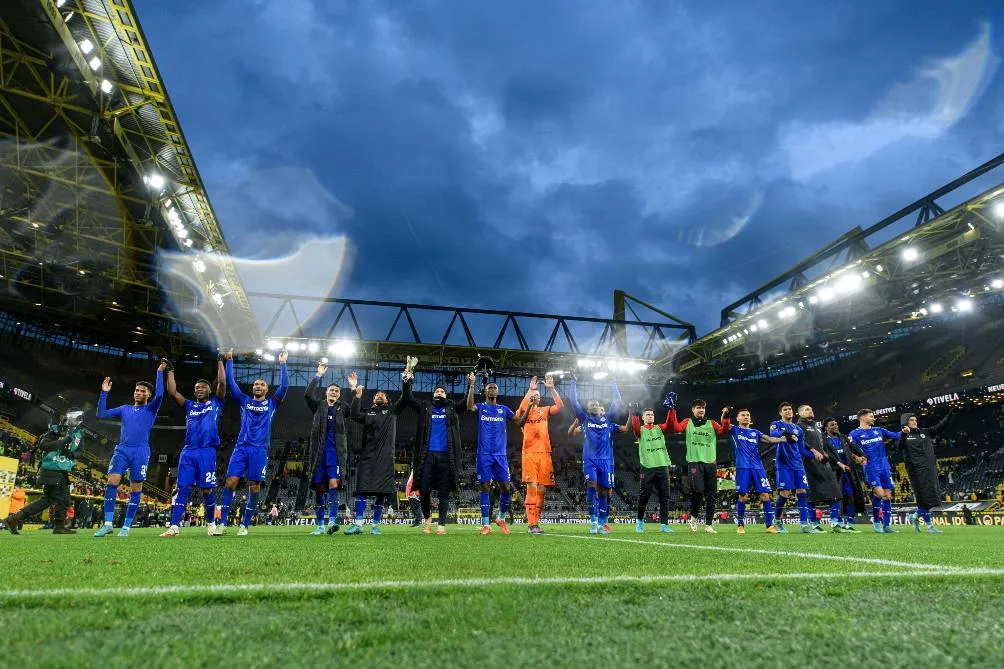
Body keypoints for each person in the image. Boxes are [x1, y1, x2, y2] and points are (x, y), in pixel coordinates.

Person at [217, 349, 289, 536]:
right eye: (256, 384)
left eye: (262, 385)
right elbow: (231, 384)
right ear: (253, 388)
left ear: (266, 389)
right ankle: (222, 523)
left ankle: (245, 525)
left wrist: (282, 364)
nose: (258, 386)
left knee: (254, 486)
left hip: (259, 449)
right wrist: (230, 361)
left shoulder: (272, 403)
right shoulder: (244, 401)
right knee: (230, 483)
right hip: (241, 448)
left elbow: (285, 386)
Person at [94, 360, 167, 537]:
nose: (139, 393)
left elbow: (160, 395)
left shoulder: (151, 409)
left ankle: (126, 527)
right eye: (137, 390)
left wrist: (159, 372)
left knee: (135, 487)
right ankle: (108, 524)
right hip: (122, 450)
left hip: (140, 451)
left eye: (143, 391)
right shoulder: (124, 409)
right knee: (112, 482)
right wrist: (104, 394)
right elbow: (101, 414)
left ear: (148, 395)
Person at [160, 356, 226, 537]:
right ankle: (174, 527)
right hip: (188, 451)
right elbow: (173, 392)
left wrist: (220, 361)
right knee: (183, 489)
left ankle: (211, 523)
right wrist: (170, 371)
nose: (199, 389)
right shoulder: (189, 405)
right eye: (196, 387)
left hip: (207, 452)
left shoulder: (216, 403)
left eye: (203, 387)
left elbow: (222, 382)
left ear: (209, 390)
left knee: (206, 490)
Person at [401, 359, 468, 536]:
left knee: (444, 491)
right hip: (427, 455)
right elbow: (408, 399)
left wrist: (471, 385)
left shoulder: (452, 408)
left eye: (442, 391)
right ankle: (428, 519)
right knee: (423, 491)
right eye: (437, 391)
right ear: (433, 395)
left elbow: (466, 404)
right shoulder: (425, 406)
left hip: (446, 455)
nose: (439, 392)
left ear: (446, 395)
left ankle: (441, 525)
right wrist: (408, 376)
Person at [345, 369, 411, 535]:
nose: (379, 395)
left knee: (382, 493)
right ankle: (358, 525)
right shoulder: (368, 412)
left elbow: (405, 398)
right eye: (376, 395)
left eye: (382, 395)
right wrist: (357, 395)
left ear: (388, 400)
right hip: (367, 456)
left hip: (386, 458)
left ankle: (375, 525)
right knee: (361, 490)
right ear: (373, 400)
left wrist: (406, 379)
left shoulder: (392, 412)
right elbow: (353, 414)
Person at [3, 410, 86, 535]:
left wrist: (73, 453)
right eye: (77, 417)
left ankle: (14, 519)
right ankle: (59, 526)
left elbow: (81, 451)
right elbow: (43, 445)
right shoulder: (56, 430)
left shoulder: (79, 434)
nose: (79, 420)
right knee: (63, 498)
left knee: (47, 499)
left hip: (61, 469)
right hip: (51, 468)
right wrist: (63, 441)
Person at [663, 394, 731, 534]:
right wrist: (672, 410)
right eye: (698, 408)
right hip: (694, 463)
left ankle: (708, 525)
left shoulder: (711, 423)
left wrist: (725, 416)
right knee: (698, 492)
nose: (701, 410)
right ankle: (693, 518)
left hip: (710, 464)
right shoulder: (688, 422)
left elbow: (723, 431)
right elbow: (676, 427)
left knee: (711, 494)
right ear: (693, 410)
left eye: (703, 408)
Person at [569, 377, 625, 535]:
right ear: (588, 409)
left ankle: (601, 524)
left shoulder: (607, 419)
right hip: (590, 460)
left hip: (606, 461)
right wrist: (573, 382)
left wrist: (613, 381)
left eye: (596, 404)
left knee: (605, 493)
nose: (594, 406)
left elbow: (617, 400)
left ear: (600, 407)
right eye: (591, 404)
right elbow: (573, 401)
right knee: (591, 486)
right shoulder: (584, 419)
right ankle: (593, 521)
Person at [467, 377, 522, 536]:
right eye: (490, 387)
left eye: (495, 387)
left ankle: (501, 518)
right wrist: (471, 385)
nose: (492, 389)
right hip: (484, 454)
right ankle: (486, 525)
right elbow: (469, 407)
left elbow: (519, 422)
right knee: (484, 487)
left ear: (497, 392)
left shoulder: (504, 409)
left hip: (501, 455)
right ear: (485, 391)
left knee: (506, 487)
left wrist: (531, 406)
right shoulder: (481, 407)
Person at [303, 360, 351, 536]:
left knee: (333, 483)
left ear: (339, 395)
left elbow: (353, 410)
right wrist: (318, 375)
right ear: (326, 392)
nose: (334, 392)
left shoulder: (342, 408)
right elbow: (307, 394)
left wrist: (354, 389)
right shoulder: (318, 406)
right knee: (318, 488)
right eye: (331, 390)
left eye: (337, 391)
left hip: (335, 454)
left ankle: (331, 521)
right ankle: (319, 525)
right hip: (318, 454)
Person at [728, 409, 792, 534]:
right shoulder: (734, 429)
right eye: (743, 415)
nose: (746, 417)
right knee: (743, 496)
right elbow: (724, 423)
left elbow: (770, 439)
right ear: (738, 418)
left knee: (765, 495)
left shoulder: (755, 432)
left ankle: (769, 526)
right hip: (743, 467)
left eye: (748, 415)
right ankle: (740, 525)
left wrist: (785, 439)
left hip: (758, 467)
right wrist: (725, 414)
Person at [516, 374, 563, 535]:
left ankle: (536, 523)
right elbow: (520, 415)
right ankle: (531, 524)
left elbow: (559, 406)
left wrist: (551, 388)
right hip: (529, 452)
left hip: (545, 452)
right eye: (533, 395)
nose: (536, 396)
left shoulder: (544, 410)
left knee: (542, 489)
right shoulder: (523, 411)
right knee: (532, 488)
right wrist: (530, 390)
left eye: (538, 395)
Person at [847, 409, 908, 534]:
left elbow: (895, 436)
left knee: (888, 496)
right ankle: (876, 522)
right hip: (870, 468)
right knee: (879, 494)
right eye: (871, 416)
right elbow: (849, 450)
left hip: (884, 467)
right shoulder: (854, 434)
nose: (873, 418)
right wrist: (858, 458)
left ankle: (886, 526)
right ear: (863, 418)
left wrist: (903, 432)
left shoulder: (879, 430)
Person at [769, 402, 825, 534]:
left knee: (802, 493)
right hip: (783, 464)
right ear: (780, 413)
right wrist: (786, 434)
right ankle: (776, 520)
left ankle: (804, 525)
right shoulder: (776, 424)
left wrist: (815, 454)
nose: (788, 411)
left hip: (798, 464)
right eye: (785, 409)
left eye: (789, 409)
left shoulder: (798, 430)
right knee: (785, 493)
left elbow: (800, 449)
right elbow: (773, 434)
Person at [796, 405, 849, 533]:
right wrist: (812, 451)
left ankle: (835, 523)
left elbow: (824, 447)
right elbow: (800, 443)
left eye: (811, 409)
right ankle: (814, 525)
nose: (810, 411)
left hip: (824, 464)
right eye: (806, 409)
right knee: (811, 497)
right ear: (800, 413)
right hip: (808, 464)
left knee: (836, 493)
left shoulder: (817, 426)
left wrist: (834, 460)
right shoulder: (799, 427)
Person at [899, 411, 953, 534]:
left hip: (929, 469)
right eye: (911, 420)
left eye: (915, 420)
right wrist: (903, 434)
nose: (914, 422)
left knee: (931, 497)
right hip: (915, 471)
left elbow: (939, 427)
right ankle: (929, 526)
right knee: (922, 498)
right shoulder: (903, 436)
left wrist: (948, 415)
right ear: (906, 423)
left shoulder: (924, 432)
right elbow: (899, 446)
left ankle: (915, 516)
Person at [629, 407, 675, 534]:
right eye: (648, 415)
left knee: (665, 497)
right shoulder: (641, 430)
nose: (650, 416)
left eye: (652, 414)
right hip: (647, 466)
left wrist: (671, 410)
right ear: (643, 417)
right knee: (644, 495)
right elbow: (636, 429)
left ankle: (664, 524)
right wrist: (634, 415)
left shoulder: (659, 428)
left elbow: (669, 424)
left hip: (662, 465)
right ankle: (639, 521)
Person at [822, 418, 866, 532]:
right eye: (832, 425)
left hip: (848, 472)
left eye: (836, 424)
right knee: (837, 498)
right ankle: (837, 522)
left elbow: (852, 447)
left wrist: (862, 455)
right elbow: (826, 455)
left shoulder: (843, 437)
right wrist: (839, 464)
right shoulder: (824, 440)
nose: (836, 426)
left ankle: (849, 523)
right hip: (834, 472)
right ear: (826, 428)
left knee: (851, 497)